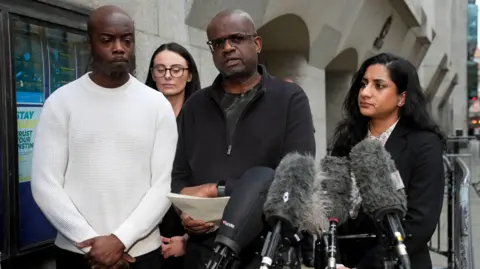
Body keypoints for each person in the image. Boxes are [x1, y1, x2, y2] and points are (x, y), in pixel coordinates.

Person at [30, 5, 177, 269]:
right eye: (107, 40)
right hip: (79, 253)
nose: (119, 47)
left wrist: (120, 240)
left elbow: (163, 184)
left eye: (127, 40)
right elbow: (45, 184)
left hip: (141, 254)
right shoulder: (61, 103)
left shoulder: (157, 105)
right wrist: (92, 244)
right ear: (90, 44)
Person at [171, 9, 316, 269]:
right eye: (218, 43)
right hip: (203, 252)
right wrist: (186, 214)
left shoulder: (290, 99)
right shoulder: (195, 106)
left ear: (257, 44)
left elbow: (295, 180)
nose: (227, 48)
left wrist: (217, 189)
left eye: (236, 38)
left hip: (265, 252)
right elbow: (180, 175)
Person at [330, 53, 445, 269]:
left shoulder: (424, 145)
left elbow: (419, 223)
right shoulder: (347, 139)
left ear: (402, 98)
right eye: (364, 84)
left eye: (379, 86)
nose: (365, 92)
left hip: (395, 261)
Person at [145, 42, 201, 268]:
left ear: (189, 75)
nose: (168, 76)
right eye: (161, 69)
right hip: (146, 227)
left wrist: (188, 240)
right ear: (152, 74)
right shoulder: (140, 117)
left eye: (176, 69)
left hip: (191, 225)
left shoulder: (203, 120)